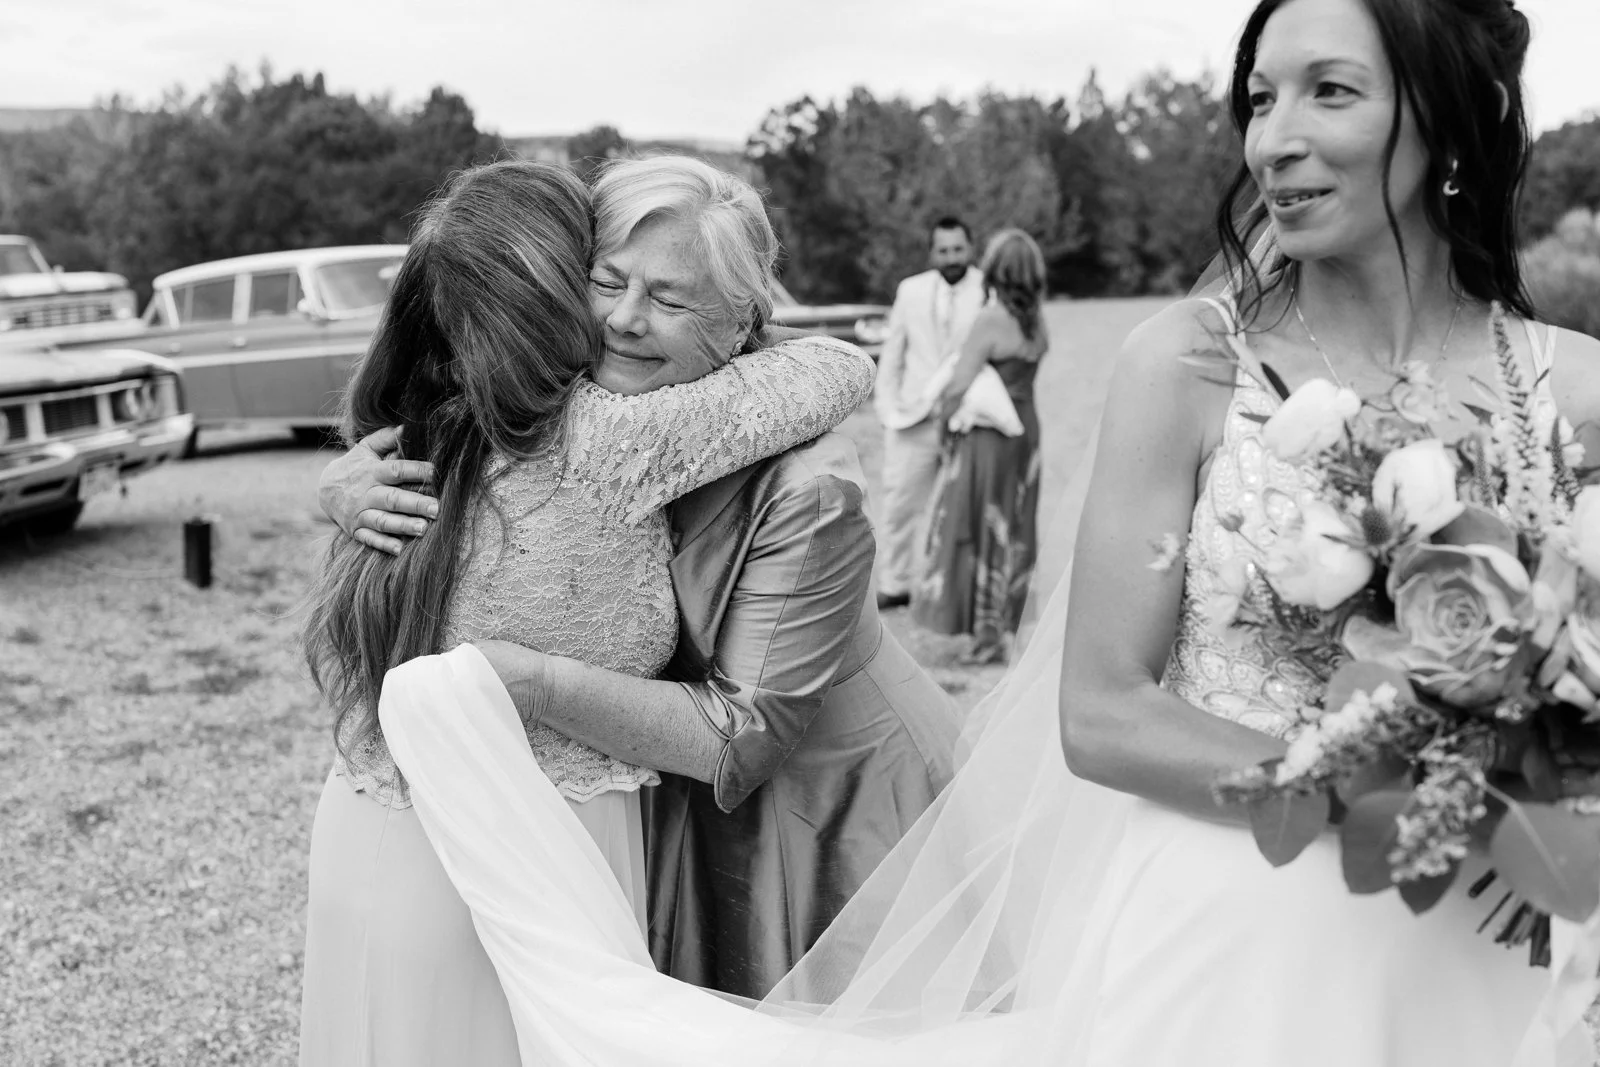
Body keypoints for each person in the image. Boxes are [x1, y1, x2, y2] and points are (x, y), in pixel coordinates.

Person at [349, 0, 1600, 1062]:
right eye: (1259, 99)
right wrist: (1364, 793)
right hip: (1244, 899)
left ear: (1447, 117)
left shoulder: (1575, 385)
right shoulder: (1188, 363)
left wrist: (1534, 768)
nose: (1275, 138)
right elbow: (1101, 712)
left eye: (1327, 92)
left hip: (1507, 907)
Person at [320, 155, 961, 1000]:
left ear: (740, 326)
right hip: (650, 775)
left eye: (668, 298)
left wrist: (531, 683)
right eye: (605, 280)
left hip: (817, 800)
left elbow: (742, 734)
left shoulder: (812, 490)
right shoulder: (559, 402)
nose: (623, 320)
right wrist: (337, 489)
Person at [913, 229, 1049, 664]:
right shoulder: (1037, 320)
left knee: (978, 524)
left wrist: (944, 428)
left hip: (989, 440)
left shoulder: (991, 319)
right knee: (1014, 524)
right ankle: (1001, 626)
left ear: (995, 271)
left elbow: (957, 387)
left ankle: (987, 638)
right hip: (1026, 432)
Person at [873, 215, 986, 611]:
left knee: (965, 507)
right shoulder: (911, 290)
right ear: (932, 252)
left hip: (967, 419)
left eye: (958, 249)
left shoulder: (989, 290)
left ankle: (964, 590)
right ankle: (895, 583)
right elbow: (893, 354)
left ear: (971, 249)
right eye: (943, 250)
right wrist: (887, 408)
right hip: (911, 419)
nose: (951, 257)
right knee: (900, 501)